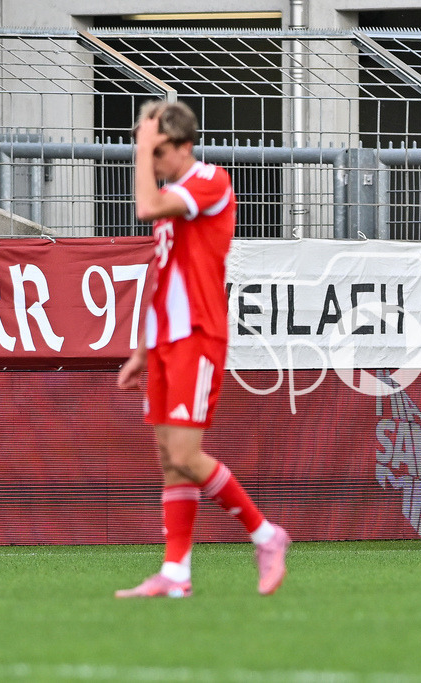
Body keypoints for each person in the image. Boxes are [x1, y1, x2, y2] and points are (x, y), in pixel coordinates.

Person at [115, 100, 290, 598]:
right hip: (168, 339)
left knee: (185, 453)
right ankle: (176, 574)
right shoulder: (174, 189)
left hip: (197, 334)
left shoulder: (210, 181)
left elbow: (145, 206)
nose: (151, 160)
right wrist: (145, 347)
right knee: (169, 459)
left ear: (184, 145)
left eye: (159, 150)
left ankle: (266, 534)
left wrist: (142, 146)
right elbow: (164, 273)